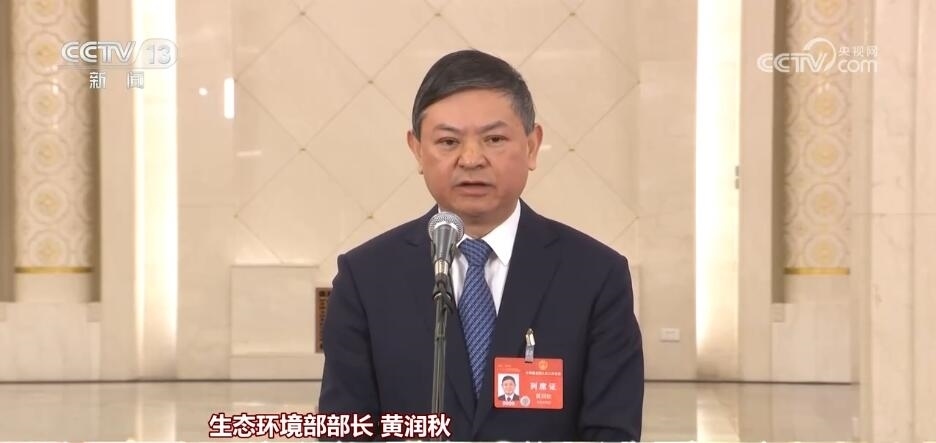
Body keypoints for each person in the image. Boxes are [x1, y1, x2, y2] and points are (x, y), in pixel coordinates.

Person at [318, 49, 643, 441]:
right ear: (417, 150)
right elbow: (344, 430)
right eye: (448, 141)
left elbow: (612, 430)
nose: (471, 159)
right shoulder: (366, 278)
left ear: (532, 146)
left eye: (494, 139)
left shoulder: (595, 275)